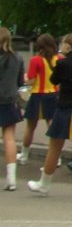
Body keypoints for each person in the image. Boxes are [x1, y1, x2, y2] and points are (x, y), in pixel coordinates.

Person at [27, 33, 72, 200]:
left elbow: (53, 80)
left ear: (67, 46)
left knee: (55, 146)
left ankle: (44, 184)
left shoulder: (63, 63)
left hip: (65, 108)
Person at [18, 33, 60, 165]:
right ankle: (56, 158)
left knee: (30, 127)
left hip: (37, 95)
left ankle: (24, 156)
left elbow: (31, 80)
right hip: (53, 95)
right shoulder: (59, 58)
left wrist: (24, 79)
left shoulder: (35, 60)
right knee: (52, 126)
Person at [0, 27, 24, 190]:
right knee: (9, 137)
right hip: (9, 99)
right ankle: (11, 179)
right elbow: (20, 81)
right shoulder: (18, 57)